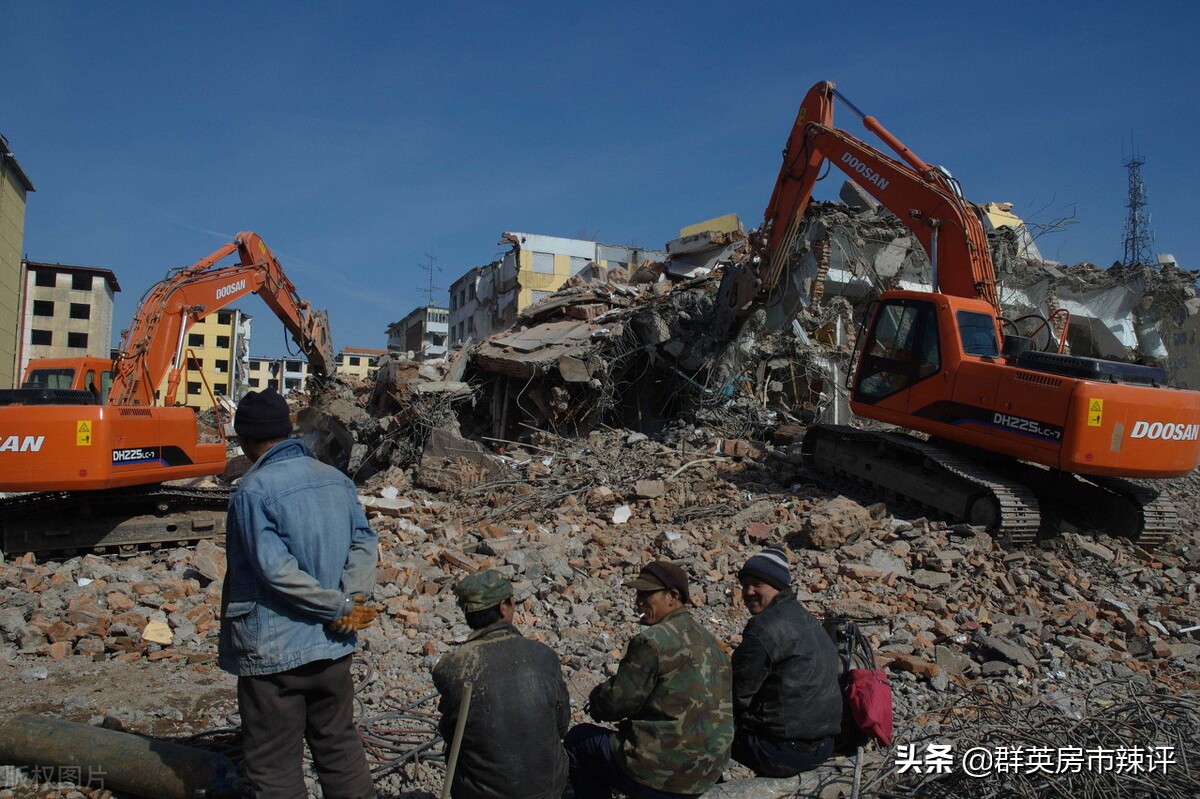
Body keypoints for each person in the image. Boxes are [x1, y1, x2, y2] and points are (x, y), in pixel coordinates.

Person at [218, 388, 379, 799]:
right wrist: (352, 600)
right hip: (334, 647)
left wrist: (340, 605)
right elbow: (364, 543)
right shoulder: (336, 480)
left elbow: (276, 572)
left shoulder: (253, 491)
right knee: (340, 747)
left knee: (274, 766)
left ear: (246, 439)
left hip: (276, 657)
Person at [565, 561, 733, 799]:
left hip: (665, 774)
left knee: (578, 740)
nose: (638, 601)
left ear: (673, 597)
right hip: (707, 772)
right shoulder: (711, 642)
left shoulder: (652, 641)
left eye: (646, 594)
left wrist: (596, 700)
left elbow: (617, 703)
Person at [432, 569, 570, 799]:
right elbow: (561, 724)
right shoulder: (543, 655)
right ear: (503, 607)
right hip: (549, 791)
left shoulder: (452, 666)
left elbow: (450, 733)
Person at [731, 546, 842, 778]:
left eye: (757, 584)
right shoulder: (807, 619)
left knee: (701, 727)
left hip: (781, 752)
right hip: (824, 747)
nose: (748, 591)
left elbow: (737, 694)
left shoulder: (764, 627)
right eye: (744, 585)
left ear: (777, 586)